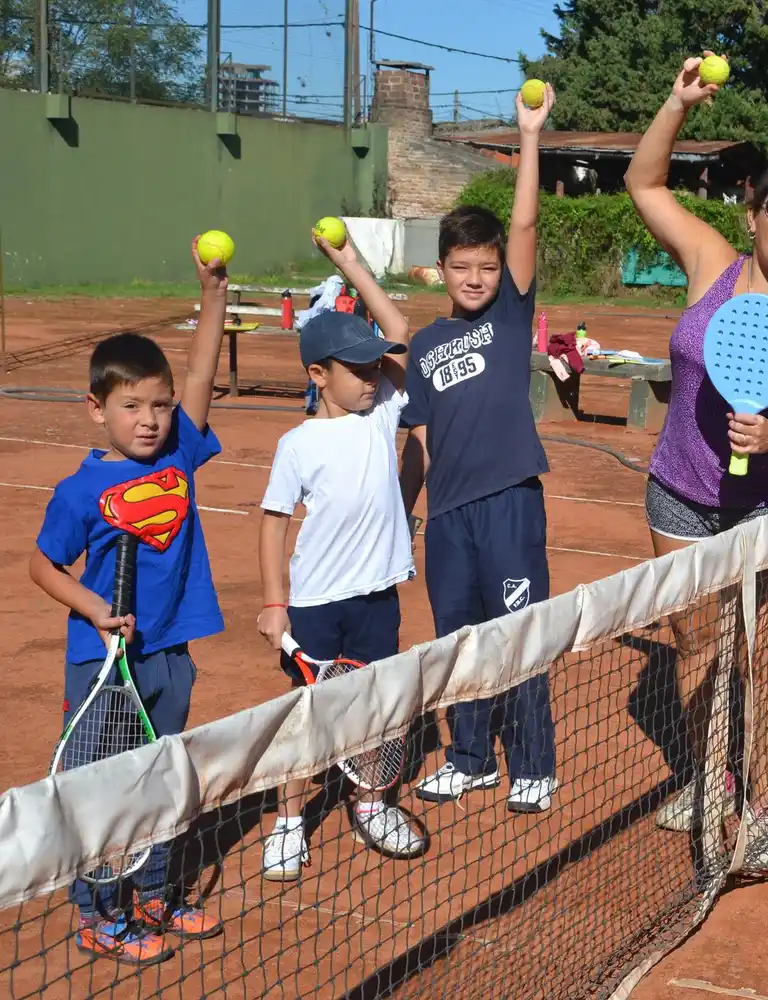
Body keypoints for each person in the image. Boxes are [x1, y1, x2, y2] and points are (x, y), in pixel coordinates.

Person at [624, 52, 768, 861]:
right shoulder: (710, 266)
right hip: (680, 492)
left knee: (763, 662)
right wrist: (677, 101)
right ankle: (707, 778)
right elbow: (645, 184)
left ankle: (757, 804)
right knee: (693, 646)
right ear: (756, 210)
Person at [29, 238, 230, 965]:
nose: (149, 419)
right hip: (103, 661)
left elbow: (203, 371)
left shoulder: (179, 450)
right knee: (102, 783)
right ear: (96, 410)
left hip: (169, 650)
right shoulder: (79, 491)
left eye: (159, 405)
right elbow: (41, 564)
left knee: (162, 776)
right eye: (131, 406)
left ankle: (152, 892)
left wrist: (212, 295)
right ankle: (95, 910)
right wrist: (90, 606)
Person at [400, 85, 559, 813]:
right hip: (451, 516)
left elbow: (523, 222)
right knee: (456, 641)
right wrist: (415, 513)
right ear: (441, 268)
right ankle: (470, 756)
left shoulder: (509, 314)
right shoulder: (425, 345)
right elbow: (424, 440)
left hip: (510, 504)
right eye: (462, 266)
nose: (475, 278)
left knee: (518, 637)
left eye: (487, 267)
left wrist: (528, 137)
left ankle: (532, 760)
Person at [256, 231, 425, 880]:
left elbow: (400, 328)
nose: (373, 376)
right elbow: (273, 524)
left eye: (375, 366)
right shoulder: (297, 444)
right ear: (318, 375)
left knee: (376, 707)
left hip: (376, 594)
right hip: (316, 604)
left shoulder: (382, 412)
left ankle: (370, 800)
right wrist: (276, 602)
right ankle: (289, 820)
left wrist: (348, 261)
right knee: (305, 715)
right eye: (359, 368)